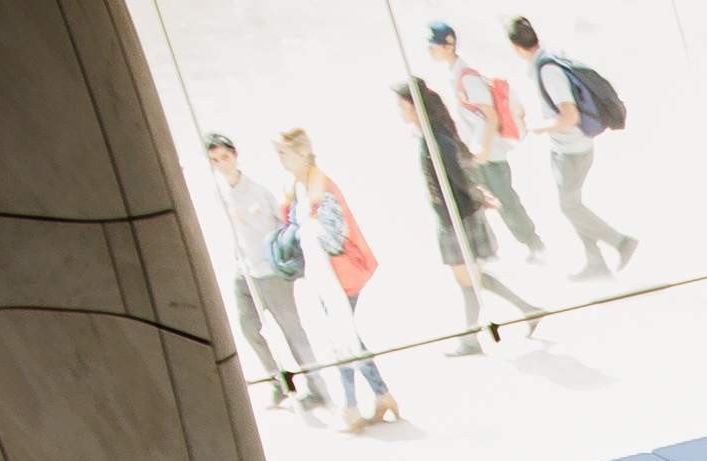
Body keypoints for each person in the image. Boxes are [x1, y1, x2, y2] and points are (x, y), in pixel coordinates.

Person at [267, 130, 397, 428]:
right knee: (347, 336)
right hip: (324, 276)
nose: (280, 159)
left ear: (302, 153)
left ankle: (351, 409)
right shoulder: (297, 186)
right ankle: (382, 396)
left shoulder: (321, 189)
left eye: (283, 153)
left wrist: (304, 231)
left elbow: (336, 238)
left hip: (340, 275)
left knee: (341, 337)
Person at [199, 136, 324, 414]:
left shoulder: (258, 191)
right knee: (247, 328)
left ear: (235, 155)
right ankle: (278, 381)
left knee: (292, 330)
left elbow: (282, 228)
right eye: (215, 160)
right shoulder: (219, 192)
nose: (222, 165)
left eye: (225, 157)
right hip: (244, 271)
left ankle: (318, 387)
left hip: (269, 272)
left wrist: (285, 264)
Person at [500, 21, 632, 268]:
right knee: (572, 205)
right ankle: (596, 264)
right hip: (565, 148)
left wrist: (539, 128)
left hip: (573, 149)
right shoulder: (546, 61)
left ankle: (621, 243)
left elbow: (570, 115)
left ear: (515, 46)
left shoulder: (547, 70)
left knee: (570, 206)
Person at [395, 80, 510, 361]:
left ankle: (471, 339)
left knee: (468, 279)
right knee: (471, 278)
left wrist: (480, 196)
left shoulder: (436, 139)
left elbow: (458, 174)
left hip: (458, 216)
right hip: (451, 215)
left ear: (413, 107)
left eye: (401, 105)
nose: (399, 111)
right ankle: (528, 310)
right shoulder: (429, 135)